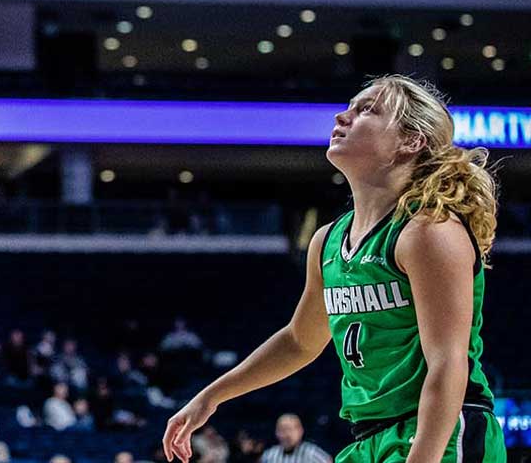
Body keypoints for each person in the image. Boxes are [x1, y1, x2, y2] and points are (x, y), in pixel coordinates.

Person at [164, 76, 505, 463]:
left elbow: (447, 362)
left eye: (367, 110)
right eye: (350, 106)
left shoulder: (428, 231)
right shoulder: (327, 241)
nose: (343, 116)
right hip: (370, 437)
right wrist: (211, 396)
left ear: (411, 141)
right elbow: (300, 341)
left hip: (443, 430)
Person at [260, 414, 330, 463]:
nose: (286, 435)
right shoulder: (269, 455)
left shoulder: (313, 453)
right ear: (276, 432)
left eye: (290, 429)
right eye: (282, 430)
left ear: (300, 431)